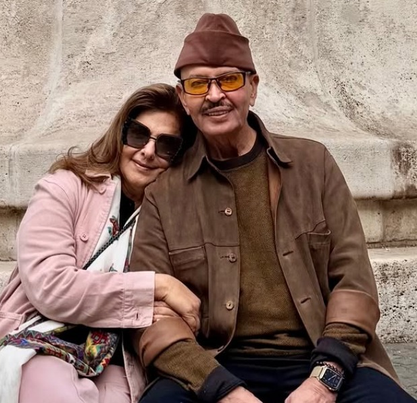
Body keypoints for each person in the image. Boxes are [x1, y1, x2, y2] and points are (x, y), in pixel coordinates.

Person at [128, 14, 416, 403]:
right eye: (198, 84)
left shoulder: (313, 165)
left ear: (253, 87)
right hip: (215, 363)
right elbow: (151, 317)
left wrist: (323, 380)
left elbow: (354, 284)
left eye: (229, 80)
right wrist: (223, 390)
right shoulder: (164, 194)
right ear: (183, 98)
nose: (214, 95)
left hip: (319, 353)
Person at [0, 83, 200, 403]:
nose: (148, 151)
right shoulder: (64, 187)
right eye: (138, 134)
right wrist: (156, 288)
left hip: (118, 362)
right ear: (121, 134)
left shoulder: (174, 219)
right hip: (37, 344)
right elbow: (52, 287)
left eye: (166, 145)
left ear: (180, 156)